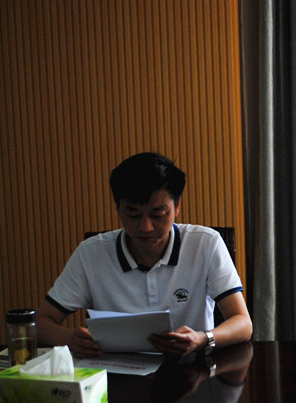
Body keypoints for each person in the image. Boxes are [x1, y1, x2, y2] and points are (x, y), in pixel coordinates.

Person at [37, 152, 253, 358]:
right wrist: (69, 339)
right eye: (133, 214)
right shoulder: (91, 254)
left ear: (177, 206)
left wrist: (203, 339)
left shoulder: (205, 243)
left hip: (192, 370)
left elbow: (243, 323)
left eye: (158, 214)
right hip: (114, 372)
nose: (146, 227)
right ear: (118, 209)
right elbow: (41, 323)